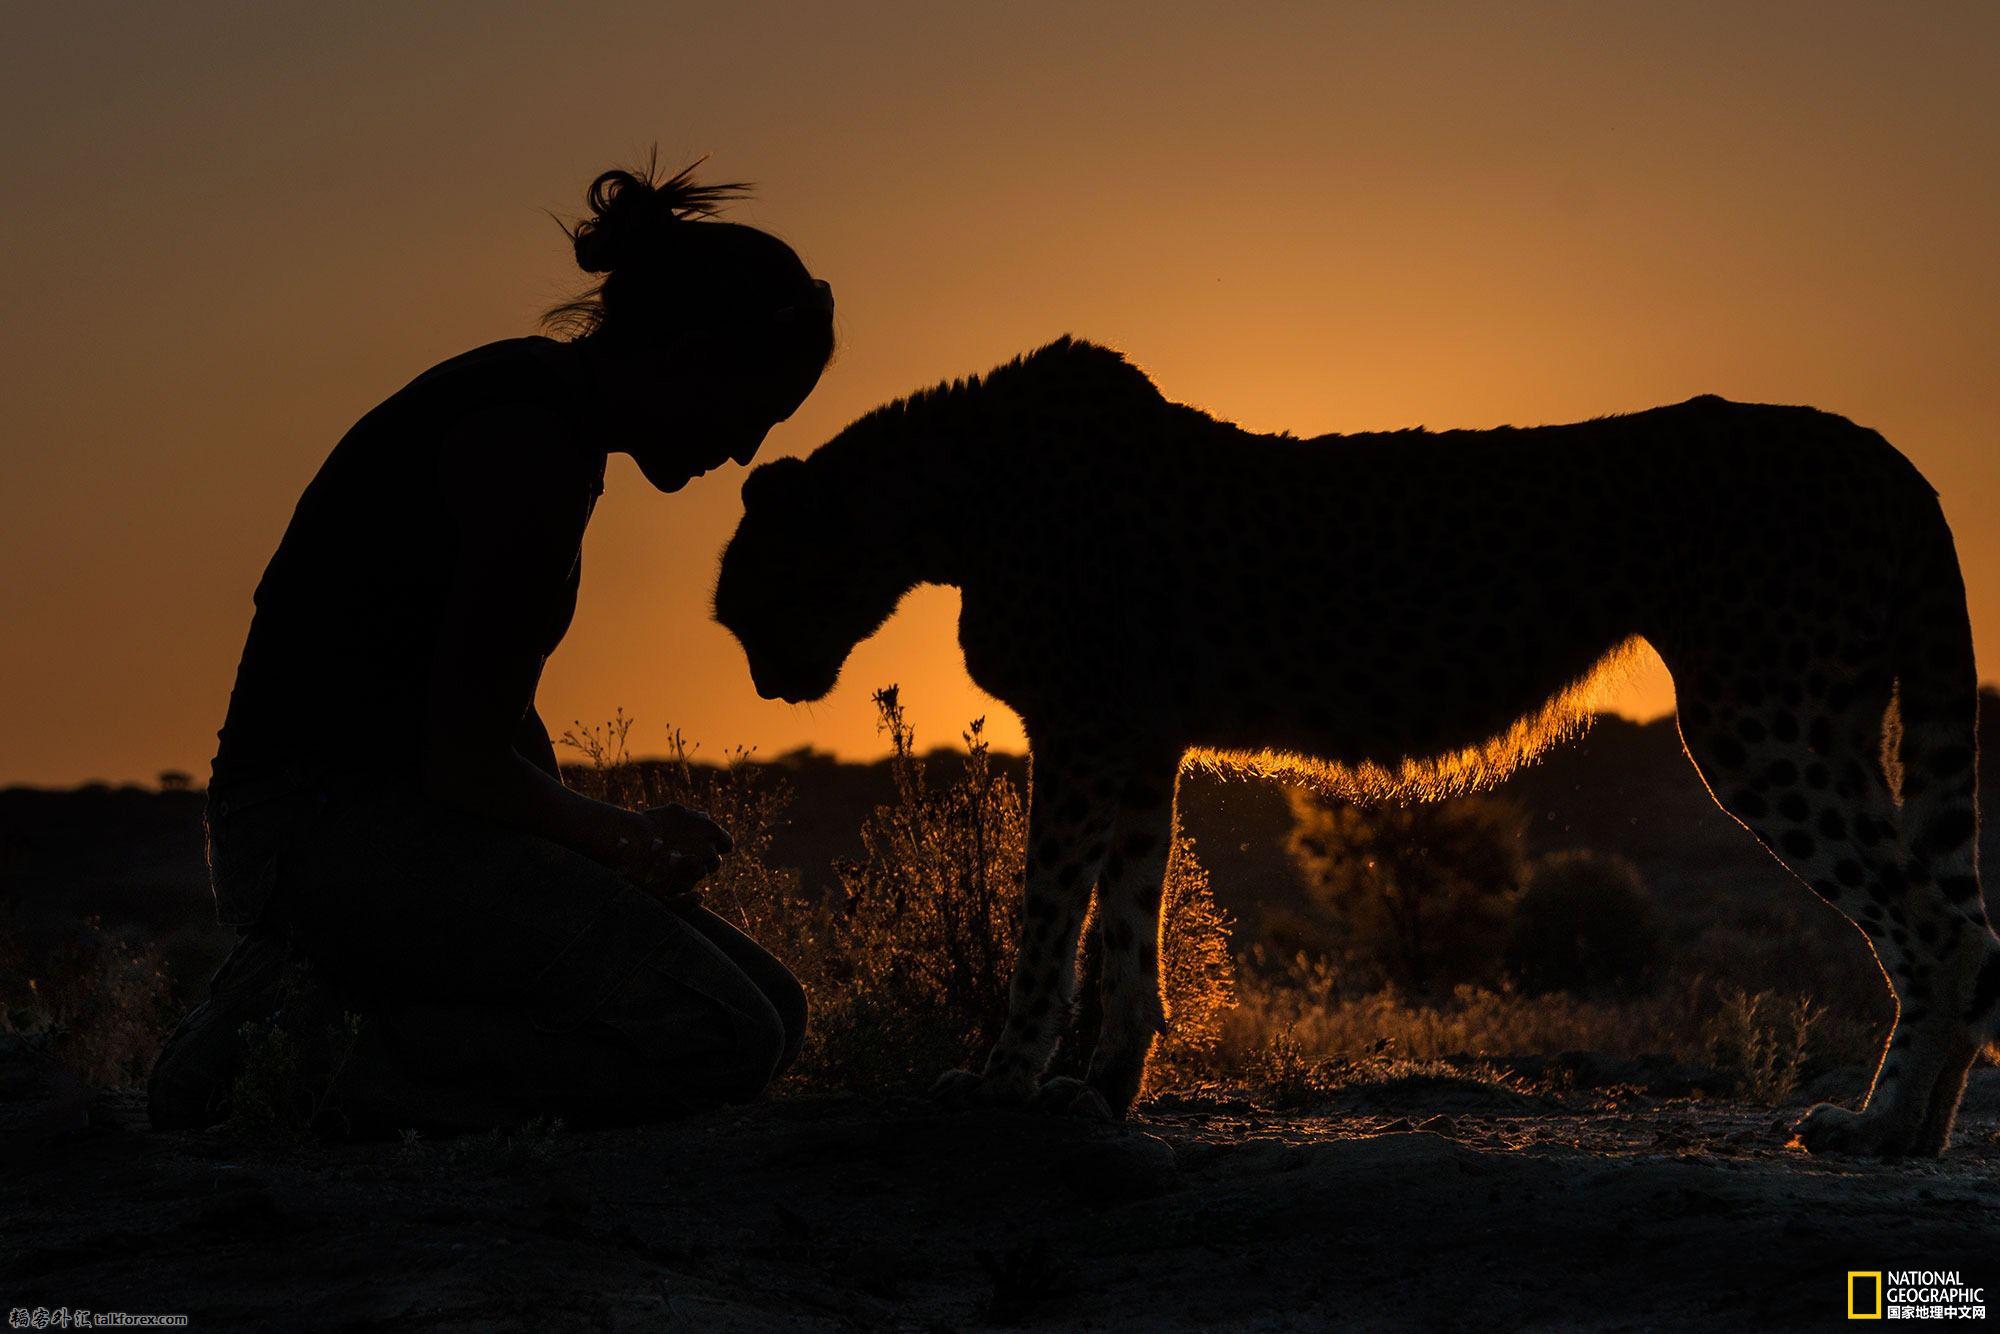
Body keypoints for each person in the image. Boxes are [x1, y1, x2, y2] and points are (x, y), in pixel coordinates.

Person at [148, 156, 834, 1134]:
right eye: (754, 411)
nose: (745, 450)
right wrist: (620, 837)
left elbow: (475, 715)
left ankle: (325, 1001)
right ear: (692, 356)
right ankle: (283, 1060)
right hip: (323, 833)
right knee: (724, 1037)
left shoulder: (540, 415)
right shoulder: (527, 448)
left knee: (775, 1012)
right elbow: (463, 764)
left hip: (368, 826)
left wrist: (594, 841)